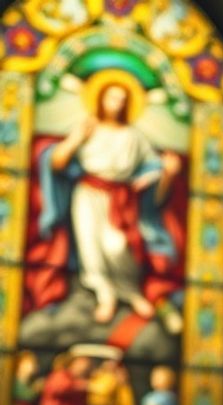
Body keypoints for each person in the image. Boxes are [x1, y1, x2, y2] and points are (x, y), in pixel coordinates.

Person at [39, 78, 183, 323]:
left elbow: (153, 168)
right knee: (90, 245)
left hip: (121, 198)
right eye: (111, 97)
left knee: (116, 245)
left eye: (122, 99)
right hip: (87, 194)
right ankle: (104, 293)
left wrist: (166, 173)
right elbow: (57, 162)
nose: (116, 103)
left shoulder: (134, 136)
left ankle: (130, 290)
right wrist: (77, 138)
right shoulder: (88, 127)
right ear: (100, 98)